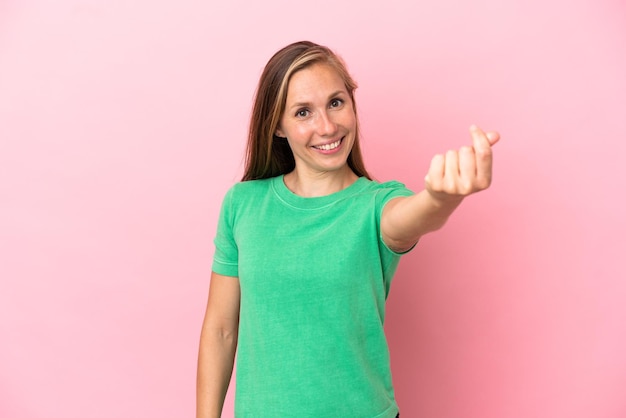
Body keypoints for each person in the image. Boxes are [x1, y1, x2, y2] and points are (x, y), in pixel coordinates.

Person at [196, 40, 500, 418]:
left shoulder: (376, 205)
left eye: (336, 103)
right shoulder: (242, 205)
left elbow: (414, 214)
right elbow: (221, 329)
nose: (327, 127)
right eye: (303, 112)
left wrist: (441, 198)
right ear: (277, 126)